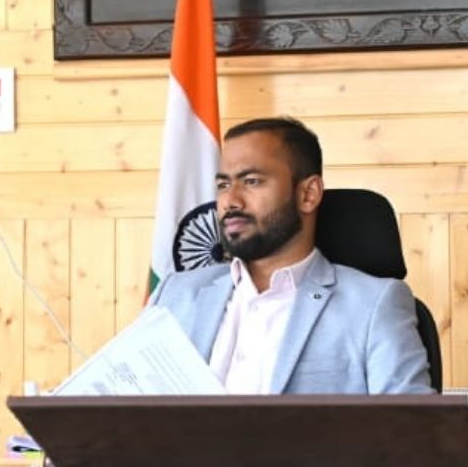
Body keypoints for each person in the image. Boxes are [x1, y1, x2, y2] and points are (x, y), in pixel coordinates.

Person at [148, 117, 433, 394]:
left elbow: (411, 423)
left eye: (252, 181)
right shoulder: (174, 294)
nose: (230, 201)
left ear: (308, 194)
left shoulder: (373, 306)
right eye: (223, 185)